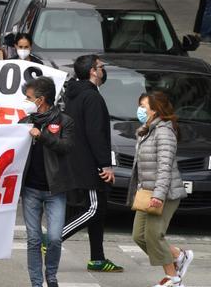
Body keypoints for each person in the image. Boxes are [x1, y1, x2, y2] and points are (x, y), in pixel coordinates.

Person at [61, 54, 122, 273]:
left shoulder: (74, 94)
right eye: (101, 67)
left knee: (101, 208)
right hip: (89, 164)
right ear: (93, 72)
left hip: (75, 160)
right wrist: (105, 165)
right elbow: (96, 133)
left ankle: (97, 258)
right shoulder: (92, 98)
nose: (104, 70)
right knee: (93, 209)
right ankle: (51, 240)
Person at [130, 91, 193, 287]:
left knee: (154, 236)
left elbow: (164, 166)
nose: (140, 109)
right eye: (140, 105)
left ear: (156, 109)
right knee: (139, 236)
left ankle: (173, 279)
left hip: (164, 193)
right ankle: (179, 255)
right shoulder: (147, 129)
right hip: (146, 192)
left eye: (143, 106)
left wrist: (158, 195)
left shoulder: (164, 131)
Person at [18, 76, 76, 287]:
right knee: (33, 239)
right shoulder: (24, 122)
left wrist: (41, 136)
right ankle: (36, 282)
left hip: (55, 190)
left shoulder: (64, 121)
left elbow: (66, 147)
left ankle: (51, 276)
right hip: (30, 189)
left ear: (40, 100)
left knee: (53, 238)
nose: (25, 101)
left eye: (28, 97)